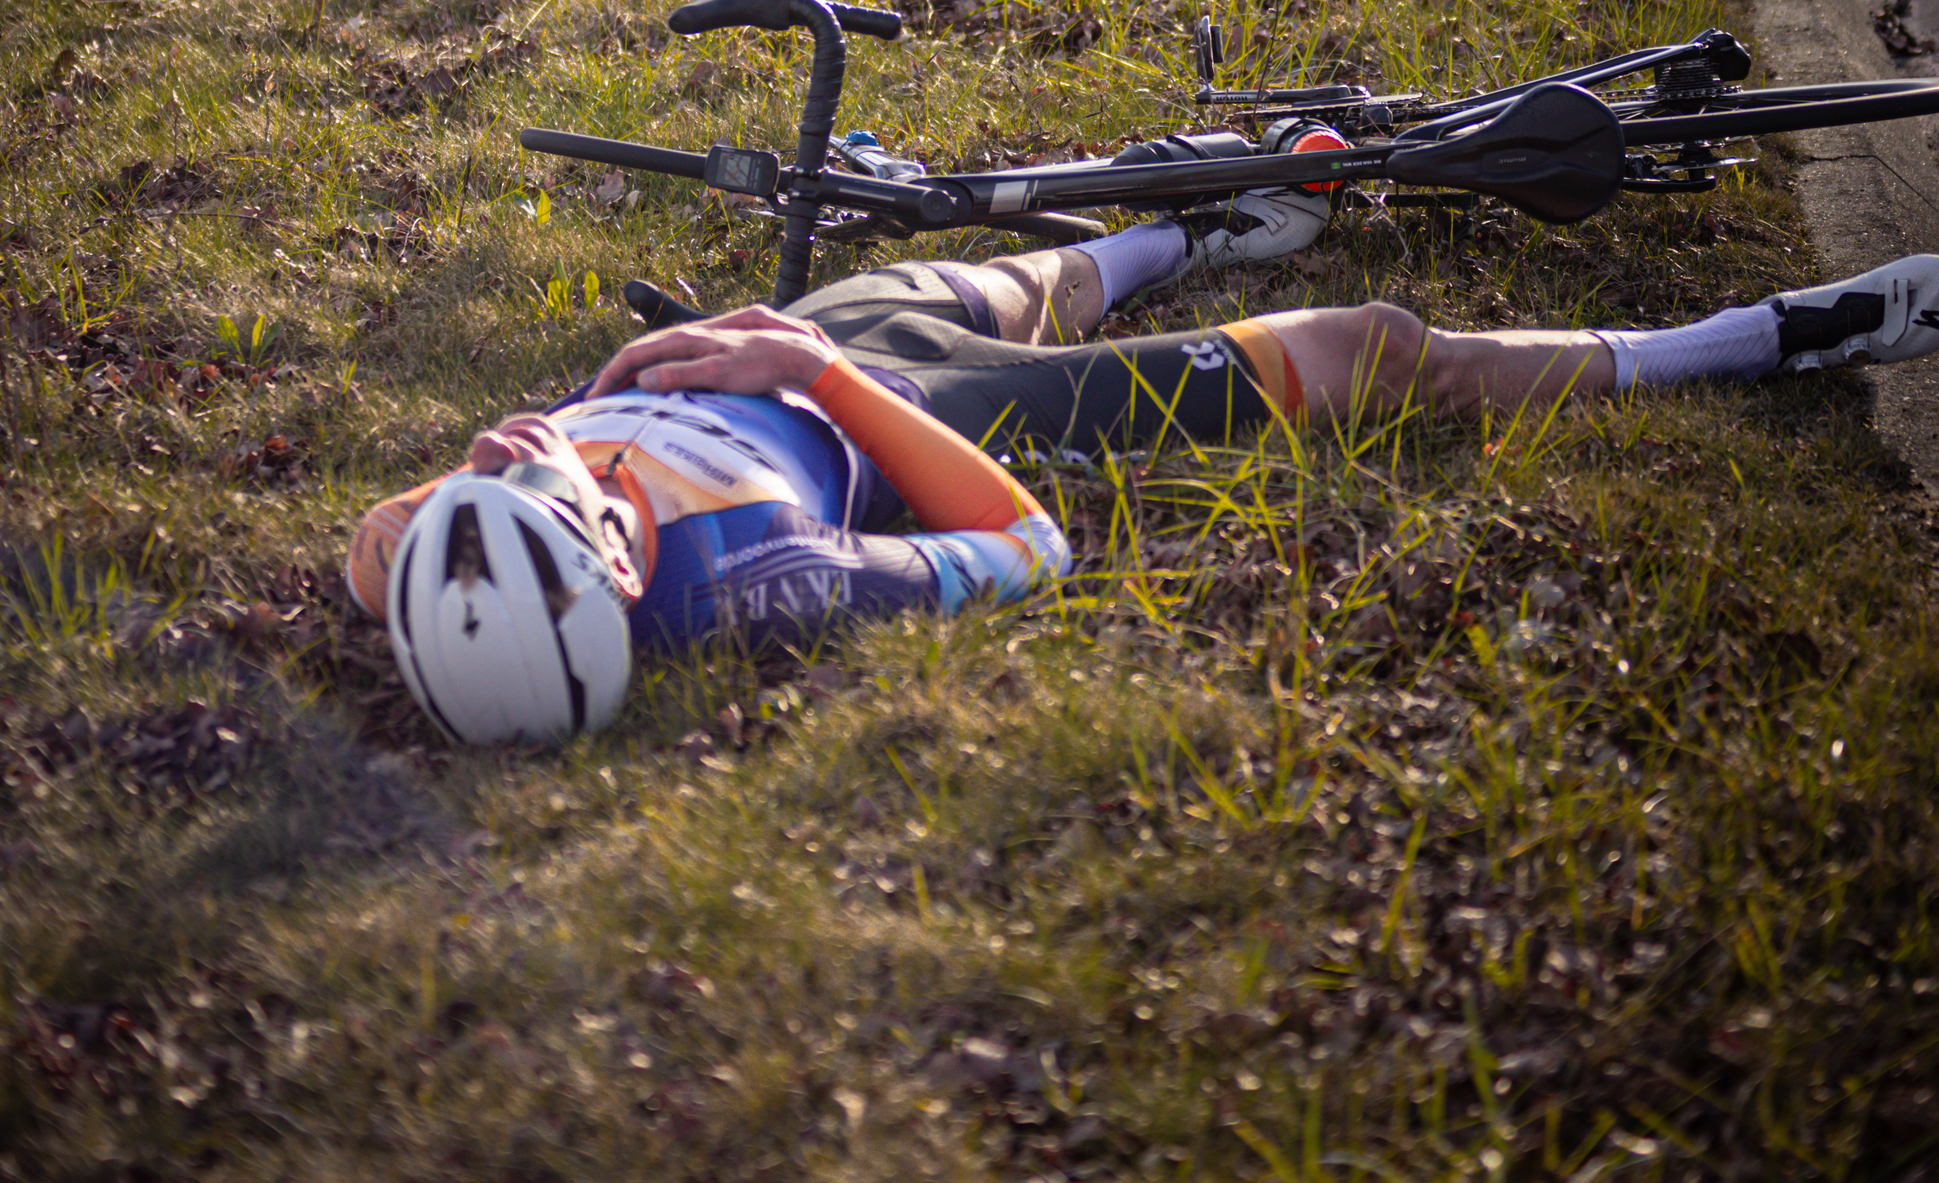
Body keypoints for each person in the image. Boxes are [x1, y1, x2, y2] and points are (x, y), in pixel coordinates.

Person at [348, 178, 1939, 747]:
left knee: (1039, 268)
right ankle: (1772, 336)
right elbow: (1029, 550)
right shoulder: (770, 580)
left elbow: (383, 546)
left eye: (472, 484)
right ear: (625, 573)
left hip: (775, 336)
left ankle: (1190, 224)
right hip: (900, 405)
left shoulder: (448, 573)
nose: (501, 443)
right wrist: (814, 371)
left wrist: (452, 515)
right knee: (1367, 345)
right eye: (535, 479)